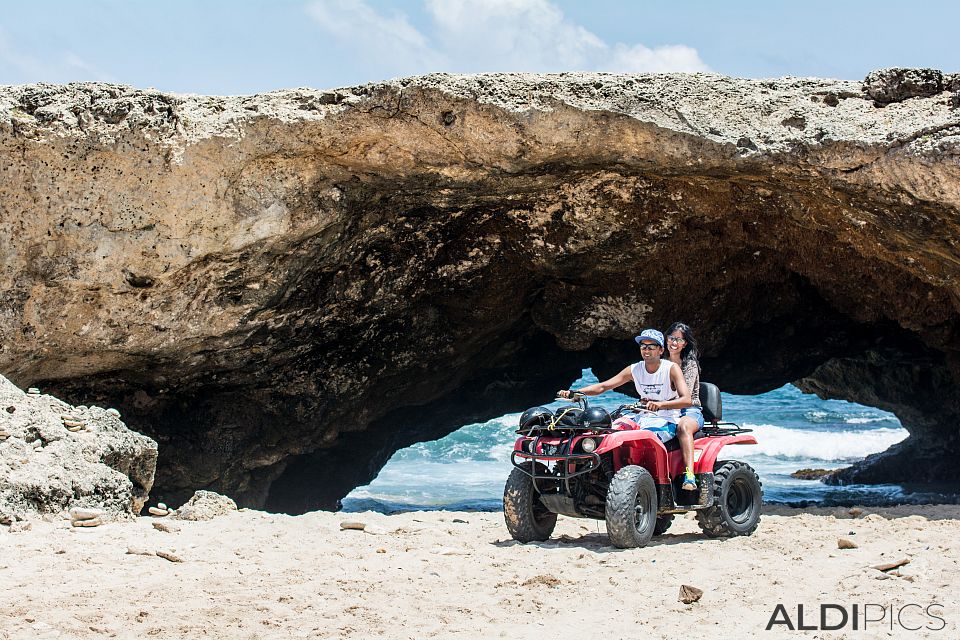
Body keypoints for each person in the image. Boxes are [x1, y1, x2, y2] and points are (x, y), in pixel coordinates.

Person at [558, 327, 692, 468]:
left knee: (643, 441)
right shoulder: (635, 369)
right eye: (643, 346)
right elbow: (604, 386)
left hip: (666, 419)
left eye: (651, 347)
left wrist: (660, 405)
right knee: (608, 433)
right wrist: (575, 392)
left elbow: (687, 400)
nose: (646, 350)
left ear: (661, 350)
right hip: (641, 417)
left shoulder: (671, 368)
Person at [665, 322, 703, 491]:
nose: (674, 342)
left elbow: (684, 396)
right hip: (665, 408)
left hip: (690, 410)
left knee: (683, 427)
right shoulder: (660, 362)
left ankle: (689, 474)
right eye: (671, 338)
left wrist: (659, 402)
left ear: (685, 343)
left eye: (678, 340)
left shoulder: (690, 364)